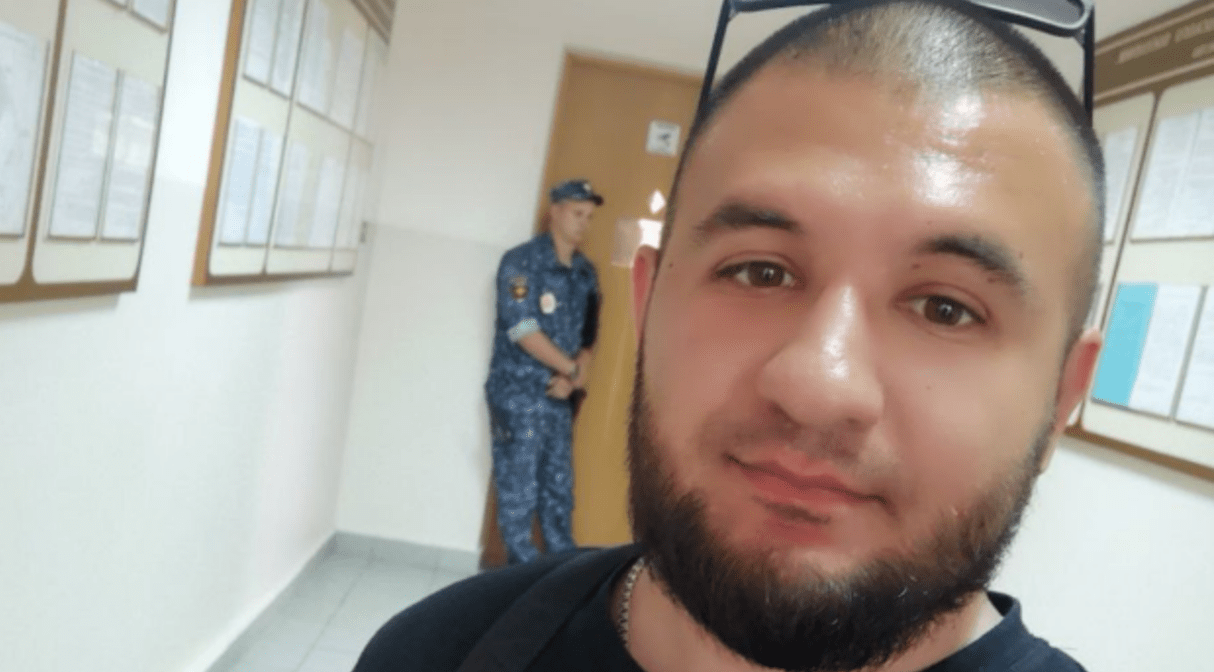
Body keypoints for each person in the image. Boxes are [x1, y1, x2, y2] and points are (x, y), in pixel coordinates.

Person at [355, 1, 1104, 670]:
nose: (818, 385)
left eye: (946, 309)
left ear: (1062, 399)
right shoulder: (435, 653)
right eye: (759, 272)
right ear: (648, 306)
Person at [484, 178, 603, 565]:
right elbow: (521, 329)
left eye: (589, 216)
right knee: (518, 496)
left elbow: (589, 336)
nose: (584, 223)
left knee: (558, 495)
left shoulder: (585, 273)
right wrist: (571, 369)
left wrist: (575, 376)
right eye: (577, 213)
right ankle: (519, 584)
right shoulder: (520, 263)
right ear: (555, 211)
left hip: (559, 399)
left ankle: (560, 581)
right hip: (518, 396)